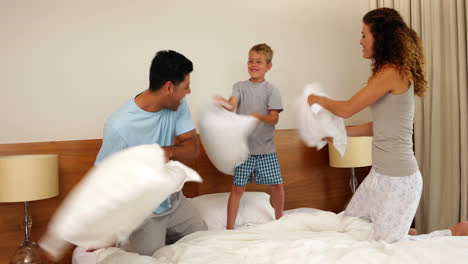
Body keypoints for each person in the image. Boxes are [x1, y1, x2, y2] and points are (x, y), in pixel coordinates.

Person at [307, 8, 427, 243]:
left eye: (364, 35)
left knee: (383, 248)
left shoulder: (393, 72)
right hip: (380, 175)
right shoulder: (385, 72)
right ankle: (405, 233)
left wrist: (318, 99)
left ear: (380, 37)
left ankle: (449, 235)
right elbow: (377, 127)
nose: (360, 41)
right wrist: (337, 134)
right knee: (349, 225)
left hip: (399, 180)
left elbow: (346, 109)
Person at [94, 50, 207, 255]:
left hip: (173, 199)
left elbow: (193, 149)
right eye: (186, 86)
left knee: (206, 244)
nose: (188, 91)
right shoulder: (119, 126)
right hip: (143, 210)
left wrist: (168, 151)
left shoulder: (177, 103)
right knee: (146, 259)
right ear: (169, 87)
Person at [217, 43, 284, 229]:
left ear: (268, 66)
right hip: (244, 150)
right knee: (237, 189)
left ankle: (280, 222)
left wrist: (258, 117)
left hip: (266, 149)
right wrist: (224, 104)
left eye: (259, 61)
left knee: (277, 186)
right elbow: (232, 104)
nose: (253, 64)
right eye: (250, 61)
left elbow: (273, 118)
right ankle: (229, 228)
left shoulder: (271, 90)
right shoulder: (239, 87)